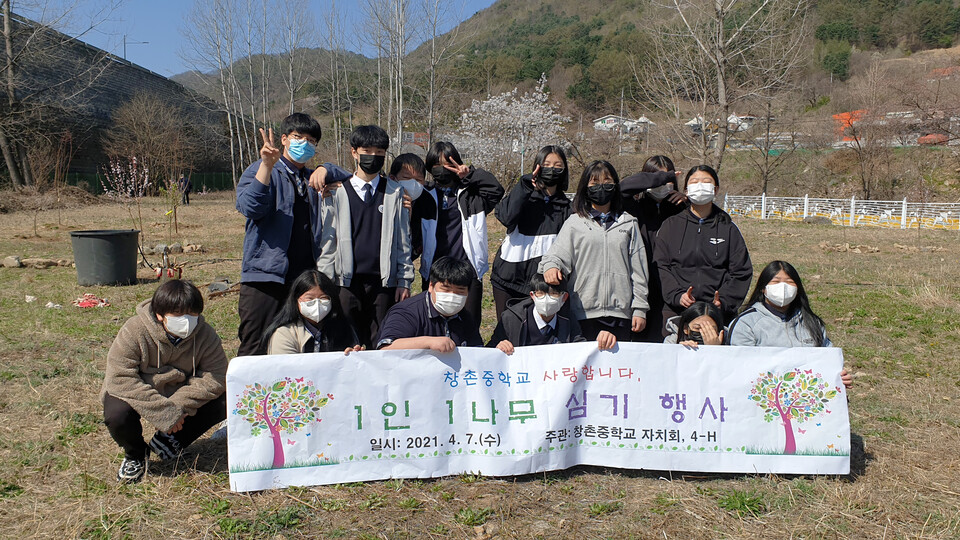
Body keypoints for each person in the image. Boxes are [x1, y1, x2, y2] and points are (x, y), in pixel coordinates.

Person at [101, 280, 227, 484]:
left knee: (226, 398)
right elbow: (120, 377)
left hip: (180, 390)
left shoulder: (205, 334)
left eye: (192, 315)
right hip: (141, 390)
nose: (186, 322)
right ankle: (135, 454)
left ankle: (172, 440)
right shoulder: (134, 330)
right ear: (159, 315)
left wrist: (178, 406)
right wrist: (164, 412)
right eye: (178, 316)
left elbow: (217, 375)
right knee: (116, 413)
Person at [235, 113, 330, 357]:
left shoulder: (311, 178)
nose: (304, 144)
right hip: (265, 277)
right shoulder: (263, 169)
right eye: (298, 137)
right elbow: (250, 207)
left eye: (311, 140)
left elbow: (346, 176)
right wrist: (266, 166)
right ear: (284, 139)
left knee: (297, 342)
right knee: (255, 343)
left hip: (302, 279)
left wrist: (325, 168)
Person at [314, 125, 414, 348]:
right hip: (345, 283)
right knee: (346, 342)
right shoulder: (337, 192)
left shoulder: (395, 192)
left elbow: (403, 242)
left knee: (382, 342)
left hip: (383, 284)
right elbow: (328, 241)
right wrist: (325, 281)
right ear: (354, 152)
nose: (374, 157)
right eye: (367, 151)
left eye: (380, 153)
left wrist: (404, 280)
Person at [538, 160, 649, 342]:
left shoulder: (629, 223)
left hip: (620, 314)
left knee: (614, 370)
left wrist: (640, 308)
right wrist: (551, 266)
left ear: (615, 185)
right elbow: (556, 255)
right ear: (585, 188)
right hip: (582, 313)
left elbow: (639, 271)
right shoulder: (575, 223)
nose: (601, 187)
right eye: (594, 183)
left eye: (607, 182)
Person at [411, 141, 504, 326]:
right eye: (436, 166)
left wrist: (470, 176)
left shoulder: (471, 194)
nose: (442, 170)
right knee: (433, 321)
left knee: (469, 322)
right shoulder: (425, 194)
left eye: (447, 164)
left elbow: (496, 190)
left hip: (467, 267)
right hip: (435, 267)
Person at [653, 165, 752, 334]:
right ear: (686, 189)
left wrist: (724, 301)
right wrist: (677, 295)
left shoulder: (727, 228)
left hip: (717, 313)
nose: (700, 186)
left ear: (716, 189)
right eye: (694, 181)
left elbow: (741, 271)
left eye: (706, 182)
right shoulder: (671, 225)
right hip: (677, 311)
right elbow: (661, 266)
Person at [727, 260, 853, 388]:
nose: (783, 287)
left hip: (807, 396)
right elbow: (741, 368)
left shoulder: (812, 323)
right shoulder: (746, 324)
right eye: (776, 282)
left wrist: (839, 377)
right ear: (763, 289)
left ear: (797, 289)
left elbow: (828, 360)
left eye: (789, 282)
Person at [490, 146, 573, 322]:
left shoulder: (567, 207)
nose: (551, 169)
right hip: (508, 279)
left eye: (557, 166)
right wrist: (524, 185)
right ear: (537, 167)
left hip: (543, 286)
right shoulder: (523, 196)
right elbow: (505, 216)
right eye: (546, 164)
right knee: (507, 333)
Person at [619, 155, 687, 342]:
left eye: (667, 179)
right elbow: (623, 186)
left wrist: (688, 200)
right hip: (640, 287)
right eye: (656, 177)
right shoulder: (634, 206)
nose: (662, 183)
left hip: (671, 289)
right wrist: (662, 178)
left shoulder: (680, 209)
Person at [488, 273, 618, 355]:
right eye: (541, 294)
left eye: (553, 294)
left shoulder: (568, 320)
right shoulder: (511, 319)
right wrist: (498, 348)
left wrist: (600, 341)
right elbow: (488, 352)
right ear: (532, 296)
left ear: (564, 297)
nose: (546, 299)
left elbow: (581, 349)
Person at [375, 256, 484, 351]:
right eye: (446, 289)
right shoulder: (407, 313)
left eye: (460, 291)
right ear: (431, 286)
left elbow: (477, 352)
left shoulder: (465, 317)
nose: (452, 295)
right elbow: (385, 348)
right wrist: (427, 342)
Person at [262, 269, 363, 355]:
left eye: (323, 298)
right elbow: (286, 371)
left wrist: (353, 357)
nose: (317, 303)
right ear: (296, 300)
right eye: (309, 298)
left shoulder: (345, 329)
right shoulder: (285, 334)